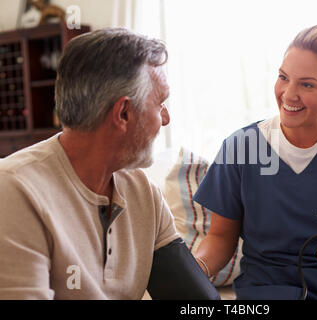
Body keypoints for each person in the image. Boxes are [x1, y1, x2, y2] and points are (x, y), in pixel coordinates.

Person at [0, 28, 219, 300]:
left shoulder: (143, 192)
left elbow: (197, 301)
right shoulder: (14, 191)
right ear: (123, 113)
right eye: (160, 104)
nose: (166, 119)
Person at [193, 16, 317, 300]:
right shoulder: (242, 146)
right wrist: (195, 268)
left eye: (307, 85)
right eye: (283, 77)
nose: (288, 94)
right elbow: (220, 238)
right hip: (267, 291)